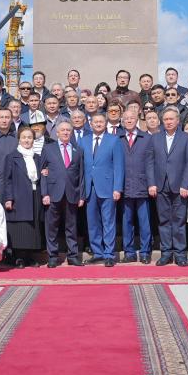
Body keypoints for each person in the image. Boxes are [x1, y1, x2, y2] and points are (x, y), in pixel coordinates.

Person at [151, 107, 188, 266]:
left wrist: (186, 184)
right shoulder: (155, 138)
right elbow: (150, 162)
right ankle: (166, 253)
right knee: (164, 221)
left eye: (171, 119)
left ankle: (180, 254)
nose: (169, 122)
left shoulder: (186, 138)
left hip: (179, 187)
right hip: (160, 185)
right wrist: (151, 183)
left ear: (178, 121)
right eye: (166, 119)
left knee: (178, 221)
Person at [79, 112, 125, 265]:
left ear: (105, 124)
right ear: (90, 124)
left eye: (101, 122)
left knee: (108, 222)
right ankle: (97, 252)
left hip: (107, 188)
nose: (98, 124)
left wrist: (117, 188)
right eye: (95, 122)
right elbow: (79, 166)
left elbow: (119, 166)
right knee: (92, 223)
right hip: (89, 188)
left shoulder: (114, 140)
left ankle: (109, 254)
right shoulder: (83, 141)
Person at [40, 121, 85, 267]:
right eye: (62, 130)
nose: (65, 132)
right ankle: (52, 255)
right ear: (57, 133)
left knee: (71, 227)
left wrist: (81, 195)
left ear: (71, 133)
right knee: (52, 226)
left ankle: (73, 255)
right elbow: (43, 173)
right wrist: (44, 193)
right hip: (53, 194)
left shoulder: (77, 150)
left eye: (68, 130)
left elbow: (81, 175)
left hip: (72, 193)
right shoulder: (48, 149)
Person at [0, 126, 45, 267]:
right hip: (18, 196)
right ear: (19, 139)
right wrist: (8, 198)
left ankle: (29, 257)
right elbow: (7, 179)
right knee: (20, 227)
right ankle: (18, 257)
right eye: (24, 137)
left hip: (34, 195)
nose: (27, 140)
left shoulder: (38, 157)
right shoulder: (12, 157)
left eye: (30, 137)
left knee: (33, 227)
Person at [119, 109, 155, 263]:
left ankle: (145, 252)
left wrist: (152, 183)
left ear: (137, 120)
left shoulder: (147, 138)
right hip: (124, 186)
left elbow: (151, 163)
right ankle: (129, 252)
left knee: (144, 221)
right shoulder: (117, 138)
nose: (129, 121)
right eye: (126, 118)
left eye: (132, 118)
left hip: (142, 185)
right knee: (127, 222)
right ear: (122, 121)